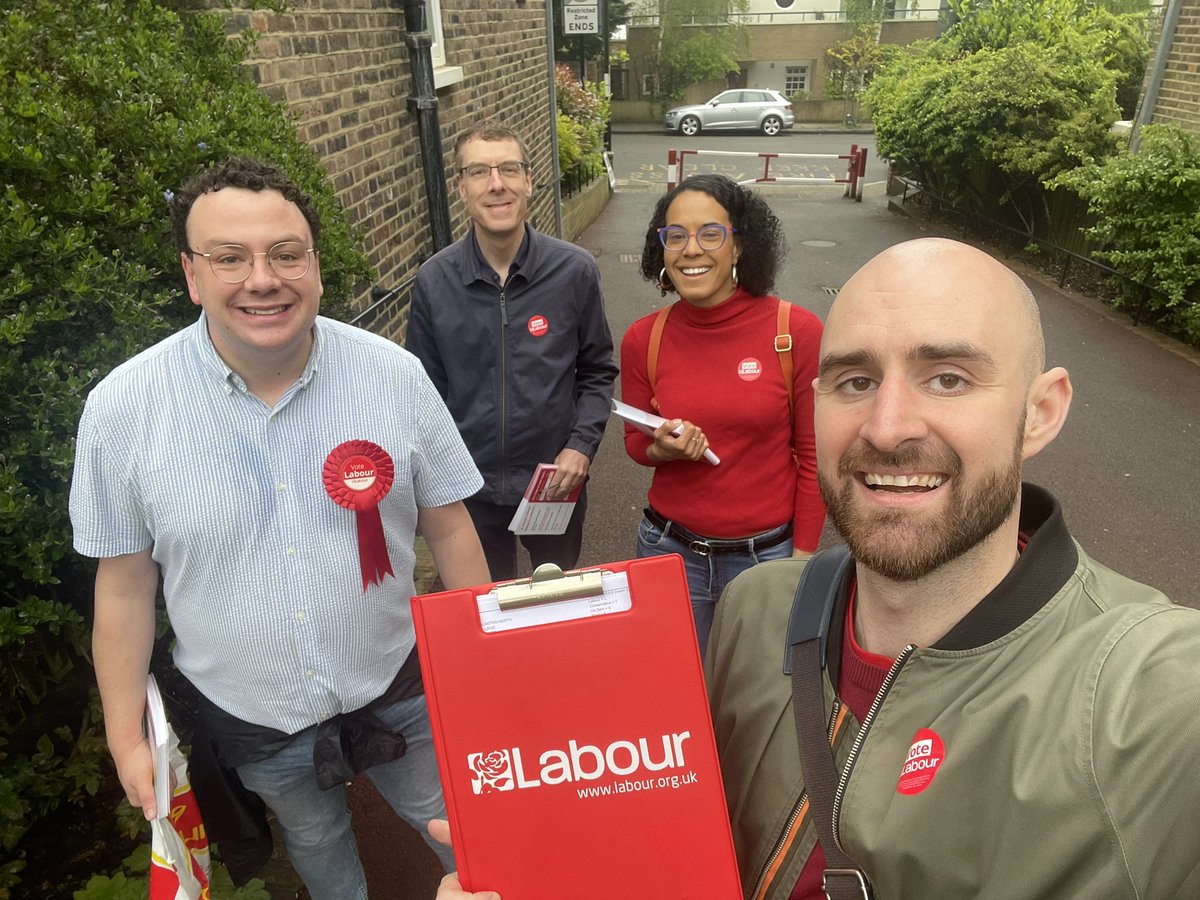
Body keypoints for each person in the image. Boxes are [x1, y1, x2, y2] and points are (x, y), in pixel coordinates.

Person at [706, 237, 1200, 898]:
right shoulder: (754, 608)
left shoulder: (1148, 703)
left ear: (1040, 412)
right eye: (856, 381)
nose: (887, 428)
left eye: (948, 378)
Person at [69, 156, 490, 900]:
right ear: (192, 276)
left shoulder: (394, 376)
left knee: (469, 836)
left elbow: (450, 528)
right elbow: (127, 586)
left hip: (400, 688)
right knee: (318, 843)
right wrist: (125, 736)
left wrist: (485, 669)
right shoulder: (120, 411)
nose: (262, 278)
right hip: (257, 719)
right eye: (229, 258)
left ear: (316, 265)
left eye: (285, 253)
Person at [620, 174, 826, 654]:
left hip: (766, 559)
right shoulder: (642, 339)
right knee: (675, 689)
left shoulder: (794, 331)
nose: (691, 250)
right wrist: (662, 447)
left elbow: (817, 458)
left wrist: (800, 562)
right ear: (662, 250)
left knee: (755, 700)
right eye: (676, 236)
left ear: (738, 247)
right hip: (668, 553)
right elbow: (635, 445)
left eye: (711, 233)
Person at [406, 120, 618, 582]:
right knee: (485, 605)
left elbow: (597, 370)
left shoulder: (574, 271)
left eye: (508, 170)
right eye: (479, 172)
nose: (496, 184)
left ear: (528, 181)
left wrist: (580, 447)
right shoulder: (435, 281)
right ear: (460, 187)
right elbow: (423, 393)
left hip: (554, 481)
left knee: (555, 598)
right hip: (469, 487)